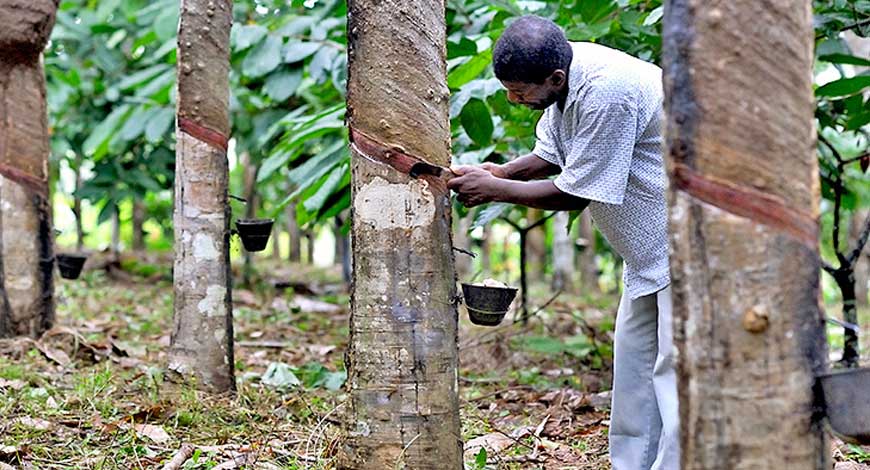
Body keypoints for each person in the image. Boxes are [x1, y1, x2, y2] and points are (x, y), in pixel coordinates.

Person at [447, 15, 679, 470]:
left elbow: (576, 193)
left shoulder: (608, 91)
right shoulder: (565, 77)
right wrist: (501, 172)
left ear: (555, 78)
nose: (514, 100)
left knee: (674, 372)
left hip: (682, 248)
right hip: (646, 255)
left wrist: (494, 190)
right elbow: (551, 157)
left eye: (520, 92)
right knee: (635, 369)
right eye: (508, 90)